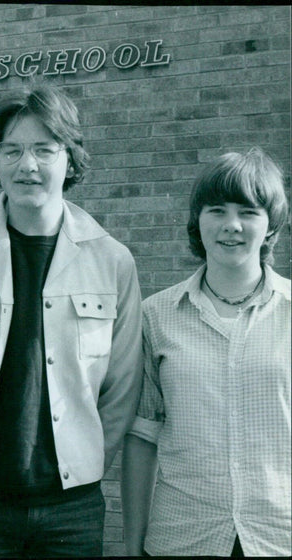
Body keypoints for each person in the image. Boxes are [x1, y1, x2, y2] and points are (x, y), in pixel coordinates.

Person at [0, 85, 143, 557]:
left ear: (71, 160)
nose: (28, 165)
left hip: (73, 508)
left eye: (44, 149)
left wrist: (89, 460)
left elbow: (122, 387)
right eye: (12, 150)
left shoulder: (112, 260)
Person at [122, 148, 291, 557]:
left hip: (279, 536)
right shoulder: (154, 317)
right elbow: (142, 439)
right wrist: (131, 546)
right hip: (184, 536)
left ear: (270, 226)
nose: (231, 225)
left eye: (248, 212)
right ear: (198, 221)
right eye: (217, 210)